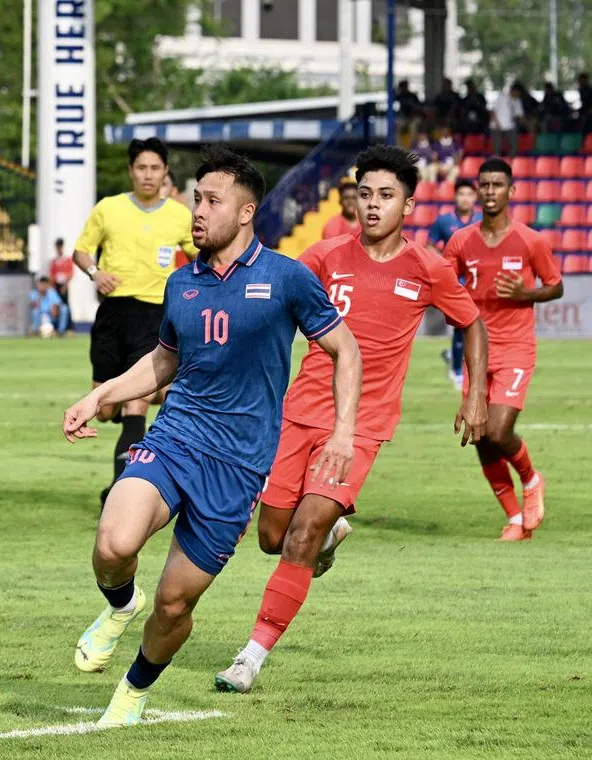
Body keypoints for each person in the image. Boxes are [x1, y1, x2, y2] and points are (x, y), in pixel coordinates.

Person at [63, 146, 362, 726]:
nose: (196, 210)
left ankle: (132, 692)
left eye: (211, 201)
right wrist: (98, 395)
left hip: (239, 467)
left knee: (176, 603)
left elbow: (344, 349)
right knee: (113, 544)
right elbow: (162, 362)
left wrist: (343, 432)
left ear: (246, 212)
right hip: (176, 437)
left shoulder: (287, 277)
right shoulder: (182, 283)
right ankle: (121, 606)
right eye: (196, 198)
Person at [214, 145, 489, 695]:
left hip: (362, 424)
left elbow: (473, 322)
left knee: (303, 533)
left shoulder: (428, 268)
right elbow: (269, 298)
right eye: (365, 194)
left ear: (408, 204)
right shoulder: (323, 257)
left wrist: (475, 393)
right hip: (299, 412)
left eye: (386, 196)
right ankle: (331, 536)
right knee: (273, 536)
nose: (373, 205)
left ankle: (250, 657)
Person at [72, 137, 199, 507]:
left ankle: (119, 492)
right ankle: (166, 394)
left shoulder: (179, 215)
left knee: (135, 404)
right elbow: (82, 251)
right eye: (141, 168)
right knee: (107, 406)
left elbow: (202, 253)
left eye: (155, 168)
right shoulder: (108, 209)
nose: (148, 175)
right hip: (113, 315)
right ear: (131, 171)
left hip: (156, 315)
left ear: (165, 173)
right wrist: (96, 273)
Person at [444, 158, 564, 541]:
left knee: (497, 429)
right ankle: (515, 519)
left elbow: (556, 285)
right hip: (476, 350)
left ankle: (531, 479)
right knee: (479, 436)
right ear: (478, 191)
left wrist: (527, 293)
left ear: (511, 192)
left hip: (515, 348)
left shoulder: (531, 240)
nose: (491, 191)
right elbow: (446, 283)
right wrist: (452, 308)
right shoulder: (461, 241)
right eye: (486, 185)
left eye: (498, 185)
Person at [428, 178, 483, 389]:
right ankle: (457, 371)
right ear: (455, 197)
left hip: (478, 281)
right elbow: (430, 246)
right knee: (462, 325)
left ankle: (455, 355)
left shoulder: (481, 220)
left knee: (479, 325)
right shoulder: (443, 221)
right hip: (455, 282)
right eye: (461, 194)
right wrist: (444, 262)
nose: (465, 198)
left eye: (469, 194)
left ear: (474, 197)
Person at [48, 237, 75, 330]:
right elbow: (51, 274)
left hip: (64, 285)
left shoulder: (67, 259)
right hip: (56, 285)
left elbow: (71, 273)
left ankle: (68, 327)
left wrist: (65, 285)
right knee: (56, 305)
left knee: (65, 305)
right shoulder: (54, 261)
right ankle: (56, 326)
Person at [491, 85, 525, 157]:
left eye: (519, 94)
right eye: (517, 93)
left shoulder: (518, 101)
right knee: (497, 147)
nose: (518, 95)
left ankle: (511, 162)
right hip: (497, 126)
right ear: (513, 91)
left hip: (510, 127)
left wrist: (520, 120)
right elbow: (493, 111)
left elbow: (519, 116)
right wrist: (497, 124)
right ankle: (498, 163)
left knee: (514, 145)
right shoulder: (502, 97)